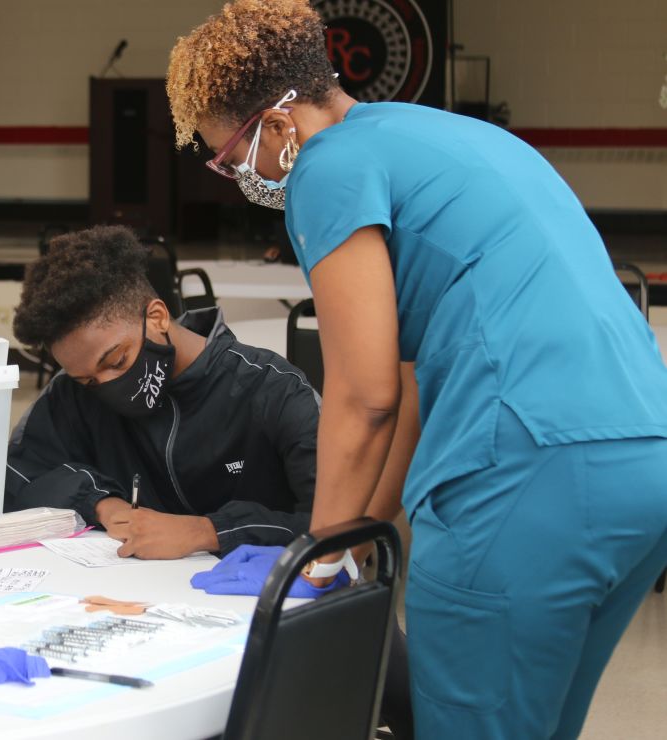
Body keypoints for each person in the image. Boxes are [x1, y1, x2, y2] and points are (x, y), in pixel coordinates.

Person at [165, 1, 667, 738]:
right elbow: (404, 386)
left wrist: (316, 560)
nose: (239, 174)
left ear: (277, 126)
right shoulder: (449, 138)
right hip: (642, 464)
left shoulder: (328, 167)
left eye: (230, 155)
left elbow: (361, 395)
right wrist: (358, 536)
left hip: (523, 477)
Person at [6, 224, 413, 737]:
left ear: (156, 316)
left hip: (277, 623)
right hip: (150, 630)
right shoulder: (75, 396)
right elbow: (20, 472)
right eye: (89, 379)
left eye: (117, 362)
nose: (105, 388)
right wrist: (101, 501)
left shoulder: (269, 391)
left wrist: (209, 531)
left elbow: (342, 533)